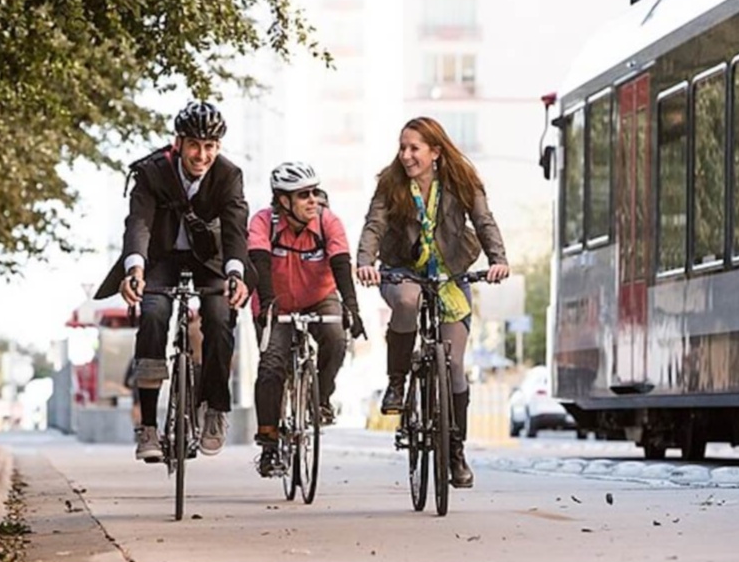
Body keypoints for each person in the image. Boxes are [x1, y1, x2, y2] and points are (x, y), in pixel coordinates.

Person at [356, 116, 509, 490]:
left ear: (435, 153)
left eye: (414, 149)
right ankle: (396, 382)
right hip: (402, 270)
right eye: (402, 147)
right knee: (407, 300)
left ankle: (455, 451)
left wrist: (498, 259)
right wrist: (364, 262)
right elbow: (374, 225)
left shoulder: (462, 182)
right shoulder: (391, 185)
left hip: (450, 273)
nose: (406, 155)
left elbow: (484, 221)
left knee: (454, 363)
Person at [95, 100, 252, 464]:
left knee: (218, 316)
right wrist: (134, 270)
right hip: (161, 257)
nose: (201, 155)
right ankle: (148, 426)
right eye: (194, 145)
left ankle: (215, 408)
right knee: (152, 312)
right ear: (178, 142)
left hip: (209, 258)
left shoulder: (229, 175)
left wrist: (235, 274)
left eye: (210, 146)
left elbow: (235, 232)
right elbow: (139, 225)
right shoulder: (152, 172)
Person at [248, 161, 366, 477]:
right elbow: (257, 261)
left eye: (315, 192)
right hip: (276, 301)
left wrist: (351, 308)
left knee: (336, 336)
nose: (313, 200)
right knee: (272, 363)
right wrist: (269, 306)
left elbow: (341, 263)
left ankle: (321, 398)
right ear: (283, 201)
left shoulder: (328, 221)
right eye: (304, 195)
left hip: (319, 296)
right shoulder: (263, 221)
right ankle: (269, 446)